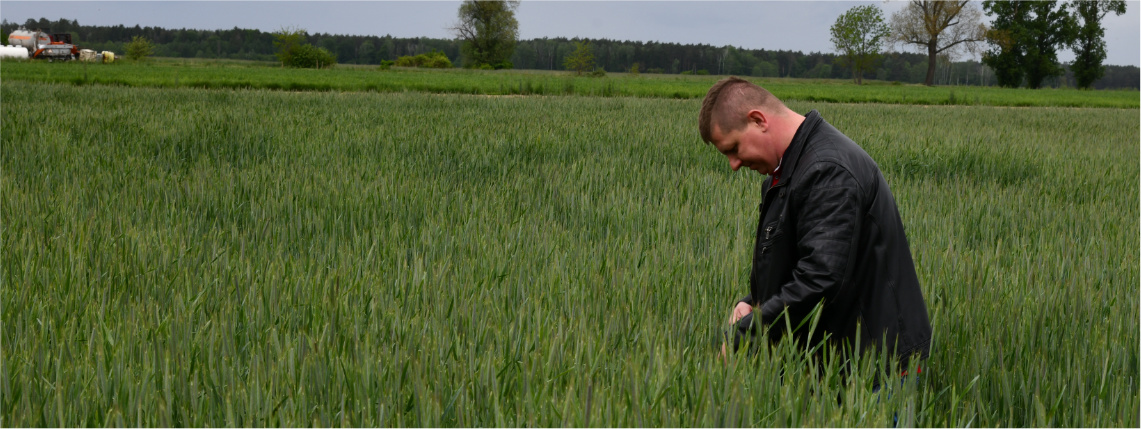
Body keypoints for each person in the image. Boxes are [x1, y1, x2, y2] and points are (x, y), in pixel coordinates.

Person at [699, 77, 931, 372]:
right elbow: (798, 265)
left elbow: (821, 278)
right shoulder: (787, 172)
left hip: (873, 371)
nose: (733, 164)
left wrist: (746, 332)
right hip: (841, 363)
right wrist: (753, 304)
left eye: (734, 149)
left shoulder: (827, 170)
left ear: (758, 120)